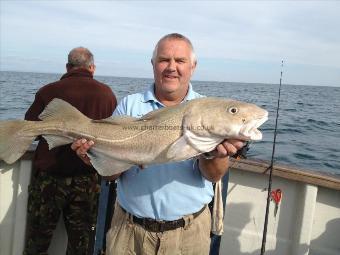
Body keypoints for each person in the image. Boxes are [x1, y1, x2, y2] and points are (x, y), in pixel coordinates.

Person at [72, 34, 244, 255]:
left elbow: (213, 176)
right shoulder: (129, 105)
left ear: (193, 66)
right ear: (153, 64)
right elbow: (110, 176)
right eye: (164, 60)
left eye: (180, 61)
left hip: (188, 234)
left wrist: (216, 155)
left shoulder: (208, 109)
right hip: (129, 231)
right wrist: (94, 158)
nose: (171, 67)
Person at [23, 47, 117, 255]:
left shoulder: (48, 91)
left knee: (37, 240)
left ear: (68, 67)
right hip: (87, 178)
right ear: (92, 68)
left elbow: (31, 130)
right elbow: (112, 136)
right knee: (80, 245)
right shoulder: (106, 94)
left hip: (49, 179)